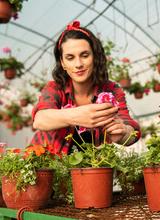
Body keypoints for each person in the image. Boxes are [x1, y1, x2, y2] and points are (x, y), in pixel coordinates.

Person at [30, 21, 140, 154]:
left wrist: (122, 132)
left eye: (85, 55)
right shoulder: (56, 88)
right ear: (63, 63)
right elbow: (39, 120)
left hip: (92, 169)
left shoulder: (110, 90)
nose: (78, 64)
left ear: (94, 57)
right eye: (70, 58)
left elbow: (132, 129)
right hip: (48, 167)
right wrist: (78, 115)